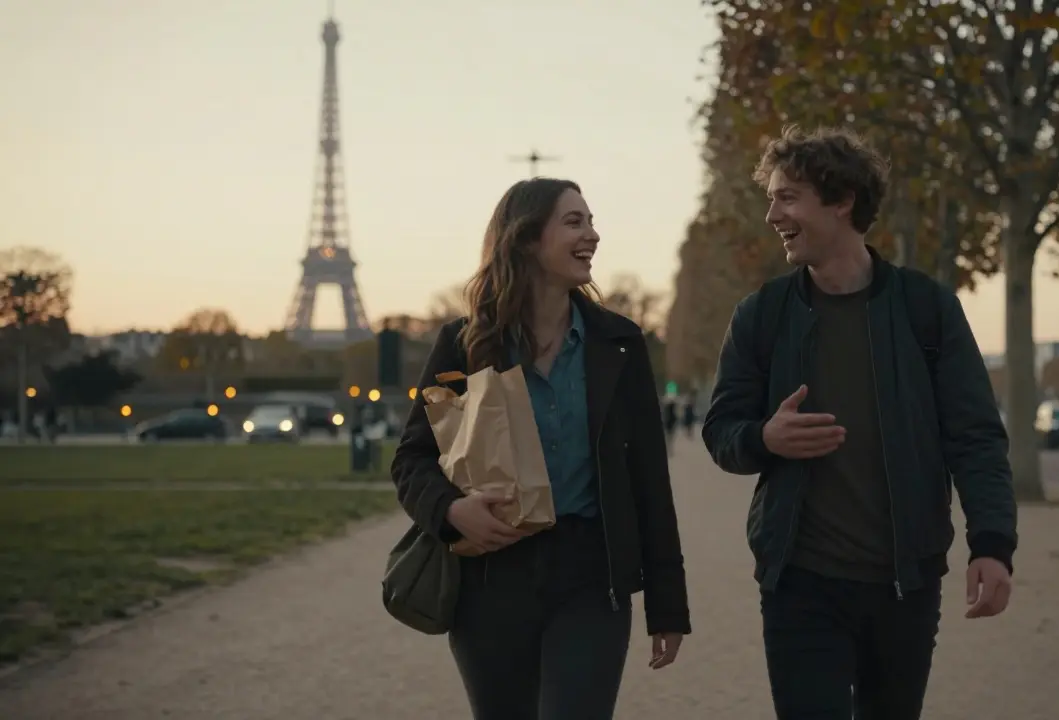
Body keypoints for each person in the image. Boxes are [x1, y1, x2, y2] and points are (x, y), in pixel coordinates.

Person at [701, 125, 1017, 720]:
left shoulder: (927, 311)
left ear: (843, 201)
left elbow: (974, 437)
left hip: (906, 584)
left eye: (787, 196)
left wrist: (993, 544)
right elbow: (722, 433)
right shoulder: (762, 316)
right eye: (772, 198)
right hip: (799, 584)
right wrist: (764, 438)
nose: (772, 214)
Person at [390, 177, 691, 720]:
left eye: (592, 221)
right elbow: (411, 458)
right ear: (527, 239)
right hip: (489, 583)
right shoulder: (464, 344)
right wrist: (452, 512)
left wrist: (668, 605)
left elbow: (649, 477)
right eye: (574, 222)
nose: (593, 235)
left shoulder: (618, 343)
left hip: (591, 580)